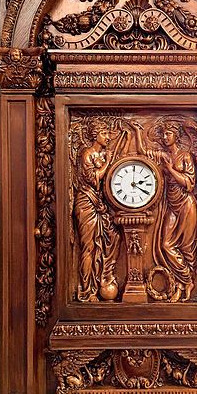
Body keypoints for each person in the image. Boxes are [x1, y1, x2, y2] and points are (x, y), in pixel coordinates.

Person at [131, 117, 197, 302]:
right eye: (163, 133)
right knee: (167, 244)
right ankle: (185, 279)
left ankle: (183, 285)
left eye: (168, 133)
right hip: (171, 204)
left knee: (186, 248)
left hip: (186, 205)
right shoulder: (163, 155)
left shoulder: (185, 156)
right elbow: (143, 151)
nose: (164, 137)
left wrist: (170, 170)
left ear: (176, 136)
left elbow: (190, 183)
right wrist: (138, 132)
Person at [74, 118, 128, 302]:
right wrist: (108, 162)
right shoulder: (87, 154)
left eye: (107, 133)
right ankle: (87, 290)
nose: (107, 137)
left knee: (114, 237)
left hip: (99, 205)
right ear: (94, 135)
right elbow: (94, 179)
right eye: (104, 133)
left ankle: (105, 276)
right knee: (89, 247)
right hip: (86, 203)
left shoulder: (103, 154)